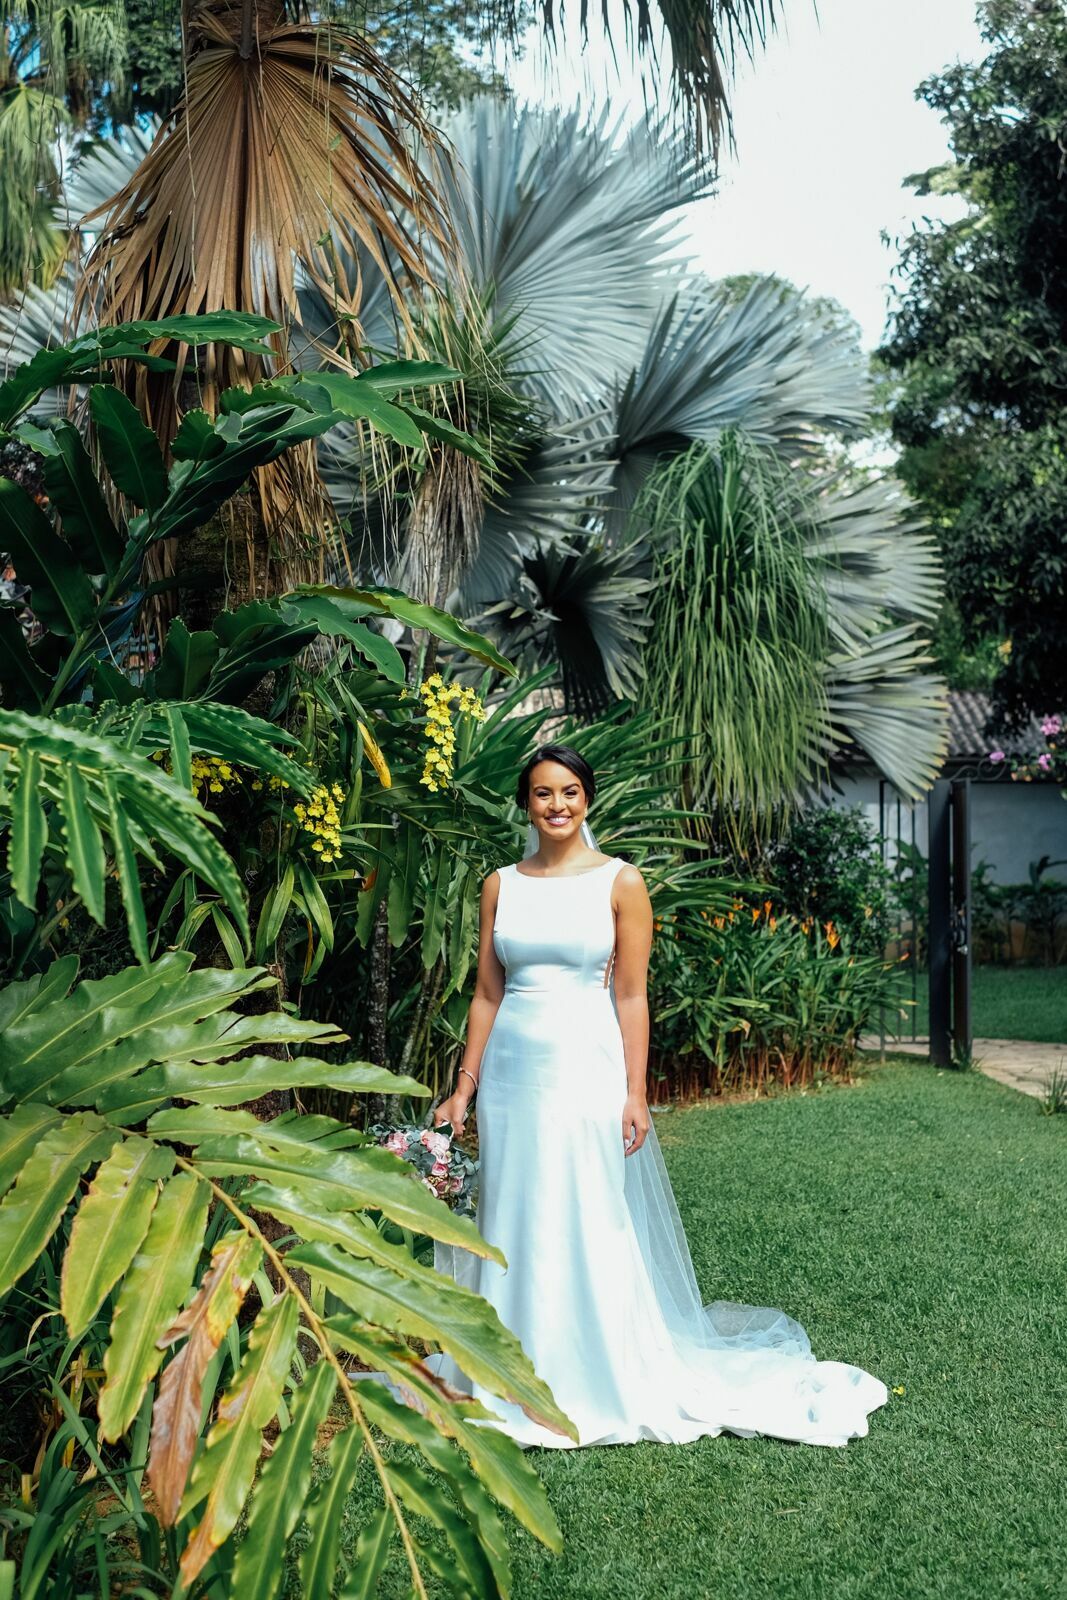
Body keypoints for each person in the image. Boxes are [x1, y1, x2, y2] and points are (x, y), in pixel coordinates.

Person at [426, 742, 889, 1450]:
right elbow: (487, 992)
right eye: (543, 793)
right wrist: (464, 1087)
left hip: (586, 1064)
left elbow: (632, 994)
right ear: (526, 803)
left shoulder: (619, 882)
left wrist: (633, 1093)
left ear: (588, 799)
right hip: (512, 1073)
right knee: (511, 1207)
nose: (556, 805)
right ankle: (504, 1367)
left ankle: (594, 1372)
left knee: (587, 1206)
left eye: (569, 792)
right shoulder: (500, 884)